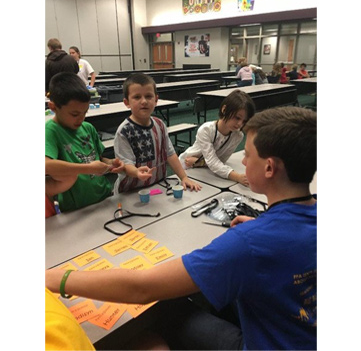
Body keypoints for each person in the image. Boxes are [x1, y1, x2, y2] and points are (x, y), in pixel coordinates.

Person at [46, 106, 317, 350]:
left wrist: (57, 278)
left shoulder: (249, 243)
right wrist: (264, 227)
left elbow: (141, 287)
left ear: (269, 168)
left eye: (247, 155)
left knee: (165, 305)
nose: (243, 162)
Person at [45, 72, 125, 212]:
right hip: (76, 208)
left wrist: (110, 163)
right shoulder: (51, 131)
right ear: (53, 107)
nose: (81, 119)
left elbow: (98, 159)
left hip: (104, 197)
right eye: (74, 114)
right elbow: (46, 165)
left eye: (85, 112)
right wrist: (89, 168)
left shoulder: (88, 128)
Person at [113, 73, 202, 193]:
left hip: (158, 185)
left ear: (156, 100)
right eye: (137, 97)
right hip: (132, 191)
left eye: (148, 96)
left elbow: (170, 154)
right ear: (126, 102)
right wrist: (136, 172)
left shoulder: (159, 124)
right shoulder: (124, 131)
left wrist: (184, 177)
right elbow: (125, 164)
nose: (144, 101)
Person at [179, 90, 255, 187]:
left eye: (244, 121)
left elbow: (221, 160)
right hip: (186, 167)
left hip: (208, 170)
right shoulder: (206, 130)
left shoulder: (238, 136)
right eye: (237, 118)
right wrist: (237, 177)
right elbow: (213, 162)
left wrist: (199, 162)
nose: (240, 124)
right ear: (224, 110)